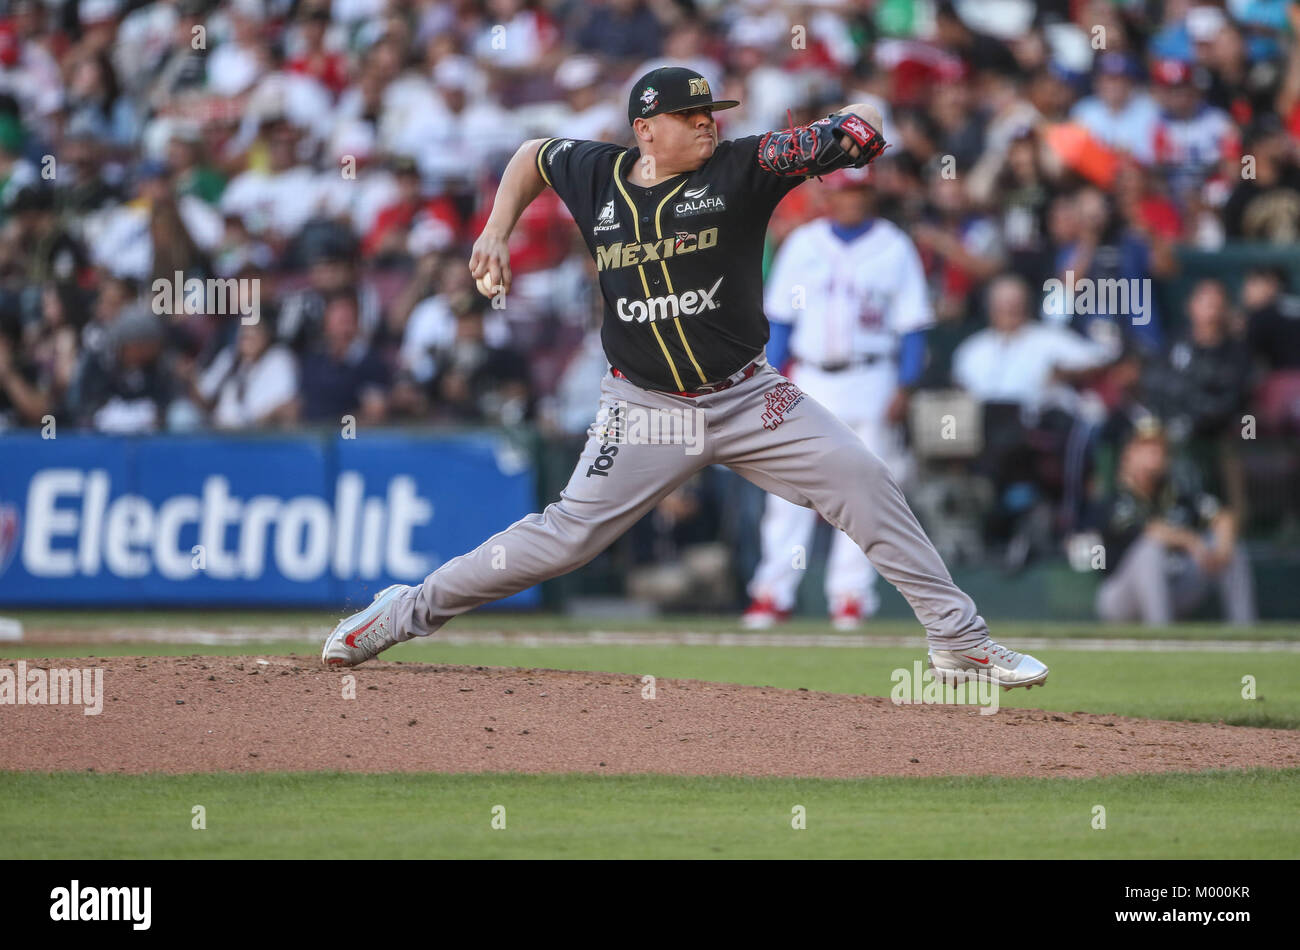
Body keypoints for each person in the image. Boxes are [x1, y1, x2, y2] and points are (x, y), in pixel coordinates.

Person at [321, 66, 1050, 690]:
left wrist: (855, 126)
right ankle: (401, 612)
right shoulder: (595, 173)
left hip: (747, 395)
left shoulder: (744, 165)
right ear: (645, 127)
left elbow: (863, 120)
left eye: (711, 113)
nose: (707, 125)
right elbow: (533, 154)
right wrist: (494, 229)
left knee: (863, 479)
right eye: (690, 115)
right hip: (644, 406)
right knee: (565, 539)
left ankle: (956, 639)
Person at [742, 164, 933, 631]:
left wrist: (905, 385)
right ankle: (773, 592)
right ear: (830, 196)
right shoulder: (805, 243)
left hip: (873, 376)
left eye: (861, 192)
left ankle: (850, 596)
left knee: (863, 493)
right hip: (809, 377)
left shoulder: (894, 246)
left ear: (871, 195)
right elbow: (781, 321)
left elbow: (913, 325)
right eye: (845, 192)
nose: (852, 200)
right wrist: (772, 380)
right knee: (788, 489)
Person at [1095, 421, 1256, 626]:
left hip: (1174, 588)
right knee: (1149, 551)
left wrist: (1222, 546)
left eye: (1159, 447)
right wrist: (1190, 540)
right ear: (1128, 455)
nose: (1155, 452)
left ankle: (1246, 634)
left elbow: (1222, 516)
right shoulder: (1114, 498)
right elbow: (1149, 532)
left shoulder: (1178, 494)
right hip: (1122, 597)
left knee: (1233, 547)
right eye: (1145, 447)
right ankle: (1161, 635)